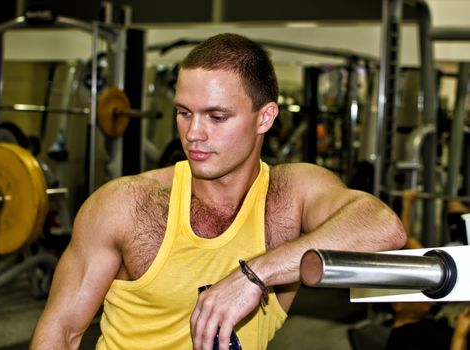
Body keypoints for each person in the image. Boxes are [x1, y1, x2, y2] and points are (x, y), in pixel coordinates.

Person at [30, 33, 406, 350]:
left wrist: (253, 276)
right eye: (184, 113)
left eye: (216, 116)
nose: (194, 133)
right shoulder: (124, 204)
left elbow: (383, 227)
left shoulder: (292, 193)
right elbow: (61, 332)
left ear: (266, 117)